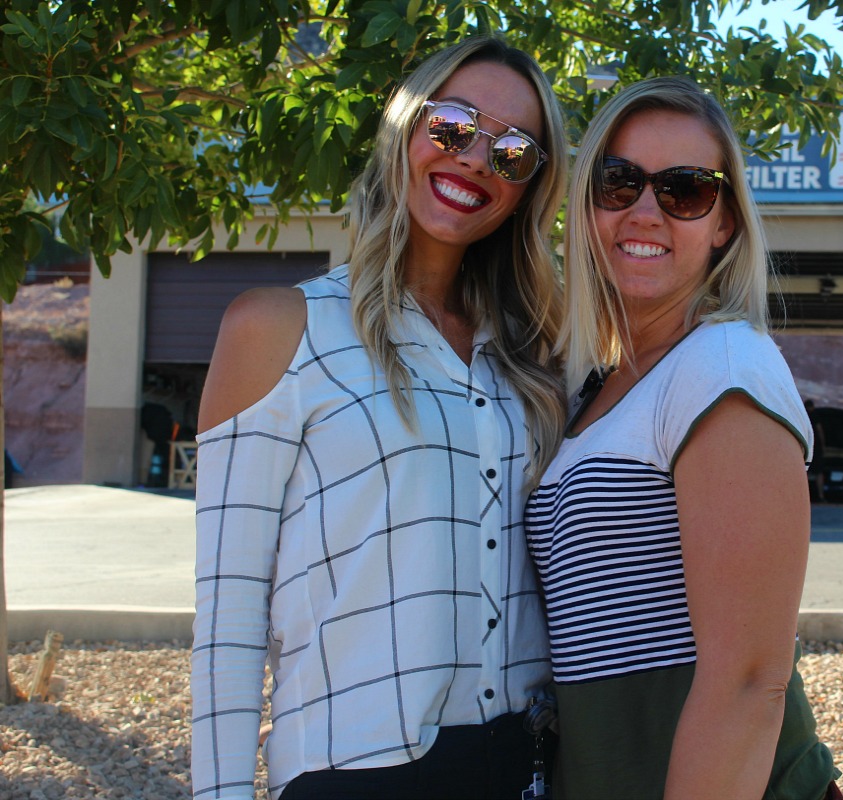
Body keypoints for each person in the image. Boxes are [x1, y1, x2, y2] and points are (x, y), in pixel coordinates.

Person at [190, 36, 568, 800]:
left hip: (526, 772)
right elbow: (228, 622)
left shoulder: (535, 357)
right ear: (406, 125)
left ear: (529, 187)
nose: (474, 159)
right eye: (455, 125)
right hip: (355, 773)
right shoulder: (276, 329)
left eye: (515, 150)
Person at [524, 77, 842, 800]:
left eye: (686, 190)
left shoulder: (724, 369)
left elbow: (748, 685)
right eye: (618, 182)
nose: (645, 210)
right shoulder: (600, 383)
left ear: (725, 222)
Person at [804, 398, 827, 502]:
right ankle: (821, 496)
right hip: (816, 448)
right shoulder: (815, 416)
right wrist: (823, 445)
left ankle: (806, 497)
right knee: (819, 472)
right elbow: (819, 430)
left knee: (805, 471)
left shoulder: (804, 416)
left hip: (806, 447)